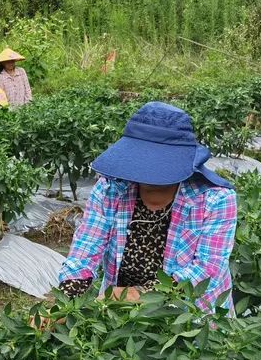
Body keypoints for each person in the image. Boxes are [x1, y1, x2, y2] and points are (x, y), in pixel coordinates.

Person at [57, 102, 238, 313]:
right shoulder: (111, 189)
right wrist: (66, 301)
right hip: (121, 314)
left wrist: (135, 294)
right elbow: (86, 249)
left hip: (190, 316)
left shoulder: (215, 199)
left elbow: (207, 269)